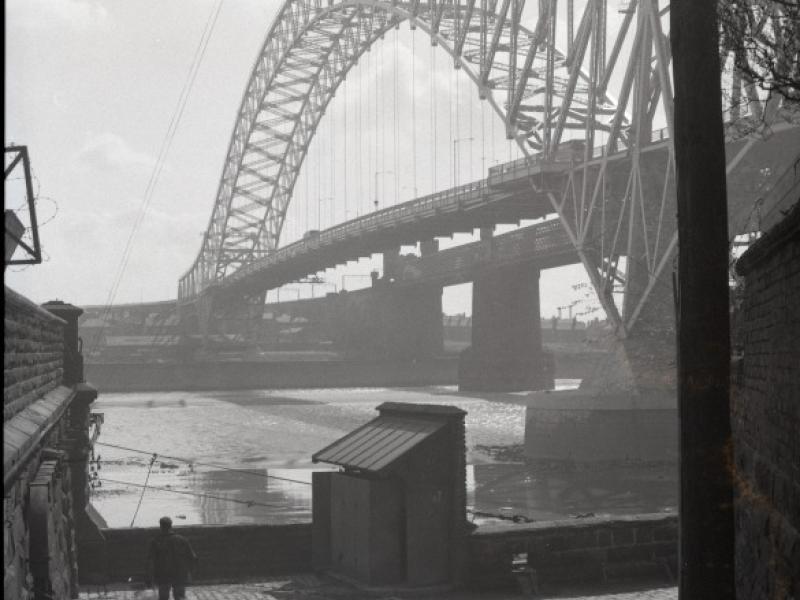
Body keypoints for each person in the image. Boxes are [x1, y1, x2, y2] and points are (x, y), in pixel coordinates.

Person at [146, 516, 197, 600]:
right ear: (171, 526)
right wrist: (190, 572)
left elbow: (150, 561)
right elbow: (193, 557)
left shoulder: (155, 541)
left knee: (163, 597)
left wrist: (150, 577)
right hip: (180, 573)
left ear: (161, 527)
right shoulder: (182, 540)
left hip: (163, 574)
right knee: (180, 597)